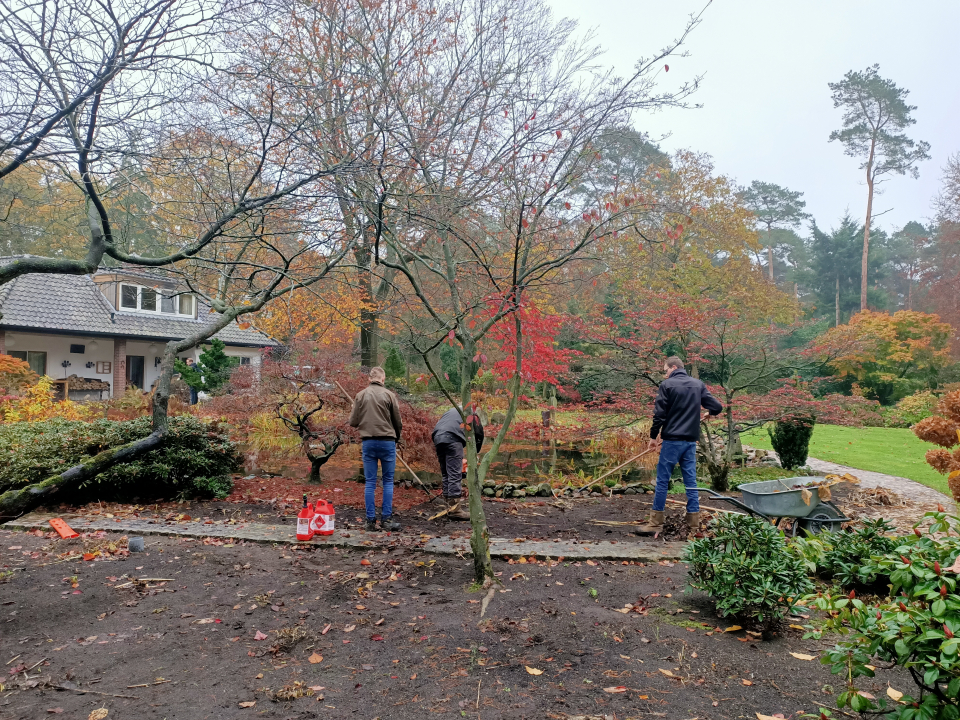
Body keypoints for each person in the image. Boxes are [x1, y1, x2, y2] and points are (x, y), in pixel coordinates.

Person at [637, 356, 723, 537]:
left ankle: (655, 523)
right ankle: (693, 526)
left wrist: (653, 437)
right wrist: (710, 413)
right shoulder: (697, 384)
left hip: (671, 441)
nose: (665, 373)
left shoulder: (667, 386)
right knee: (691, 482)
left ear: (674, 367)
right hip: (690, 442)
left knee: (662, 481)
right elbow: (717, 406)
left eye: (666, 369)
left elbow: (659, 415)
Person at [348, 366, 403, 531]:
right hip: (387, 442)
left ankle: (370, 521)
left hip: (368, 442)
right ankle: (386, 519)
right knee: (387, 482)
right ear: (383, 379)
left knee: (370, 482)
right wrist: (396, 438)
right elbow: (397, 422)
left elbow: (353, 422)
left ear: (369, 379)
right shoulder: (389, 395)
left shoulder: (360, 395)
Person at [432, 407, 484, 520]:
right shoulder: (471, 413)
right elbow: (479, 433)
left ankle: (448, 507)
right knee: (455, 474)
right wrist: (476, 452)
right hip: (452, 438)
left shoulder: (451, 410)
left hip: (438, 437)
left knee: (446, 473)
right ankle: (455, 511)